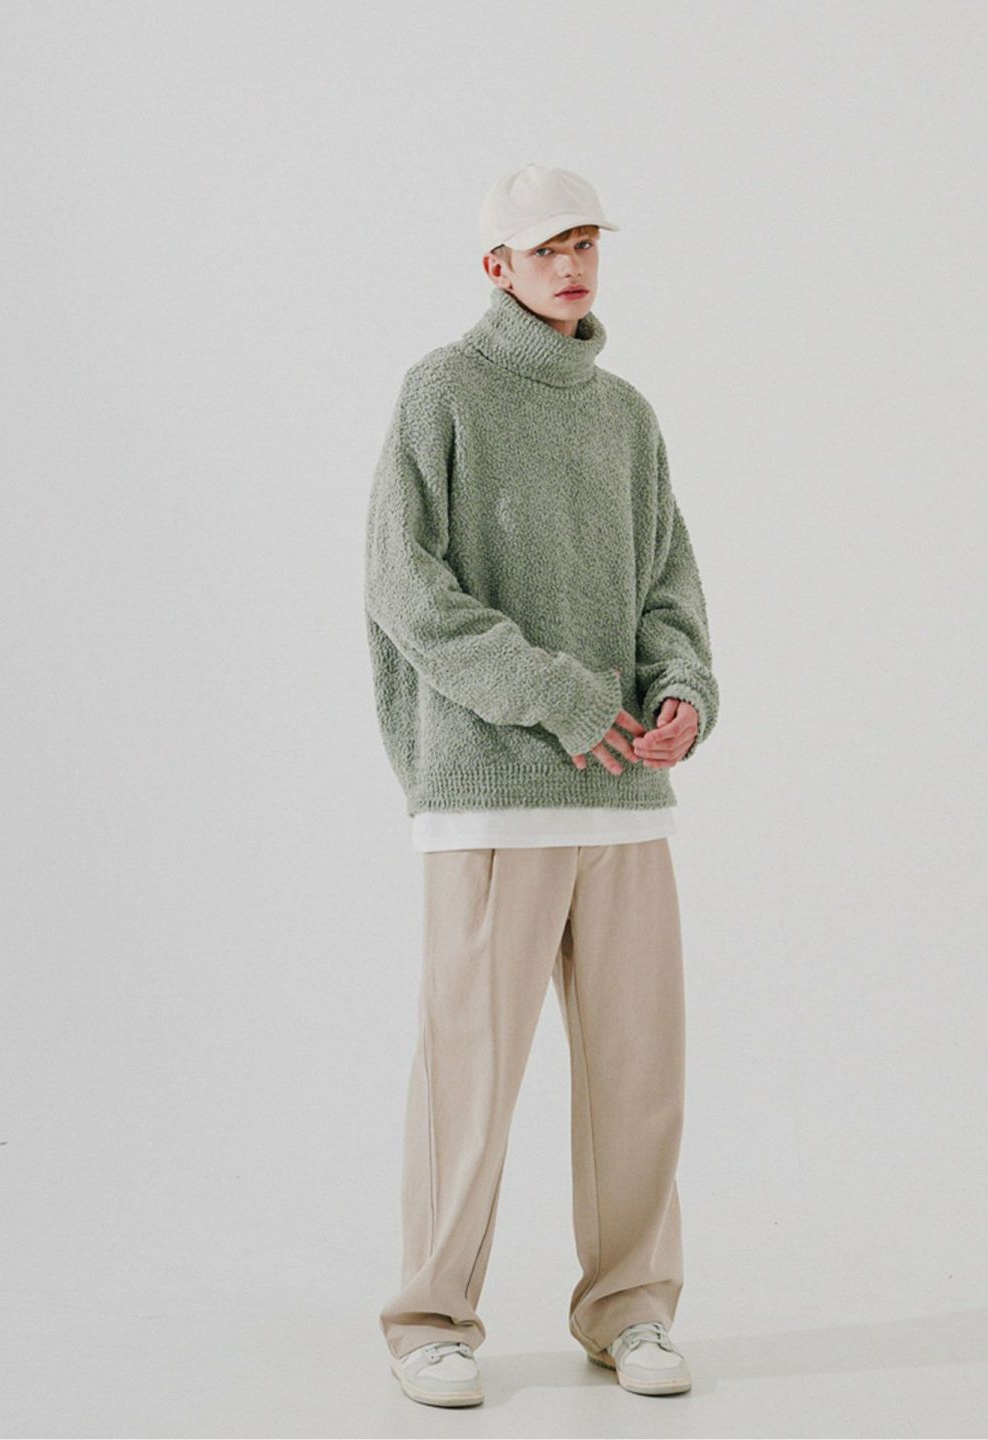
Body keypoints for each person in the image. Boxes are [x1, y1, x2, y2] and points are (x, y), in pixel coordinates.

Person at [363, 162, 720, 1407]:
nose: (571, 265)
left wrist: (682, 691)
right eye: (546, 247)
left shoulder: (626, 416)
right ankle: (429, 1321)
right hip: (490, 790)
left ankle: (631, 1310)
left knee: (639, 1075)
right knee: (468, 1074)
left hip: (622, 800)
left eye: (586, 244)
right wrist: (564, 696)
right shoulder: (443, 393)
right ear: (496, 266)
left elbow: (667, 585)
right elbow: (406, 592)